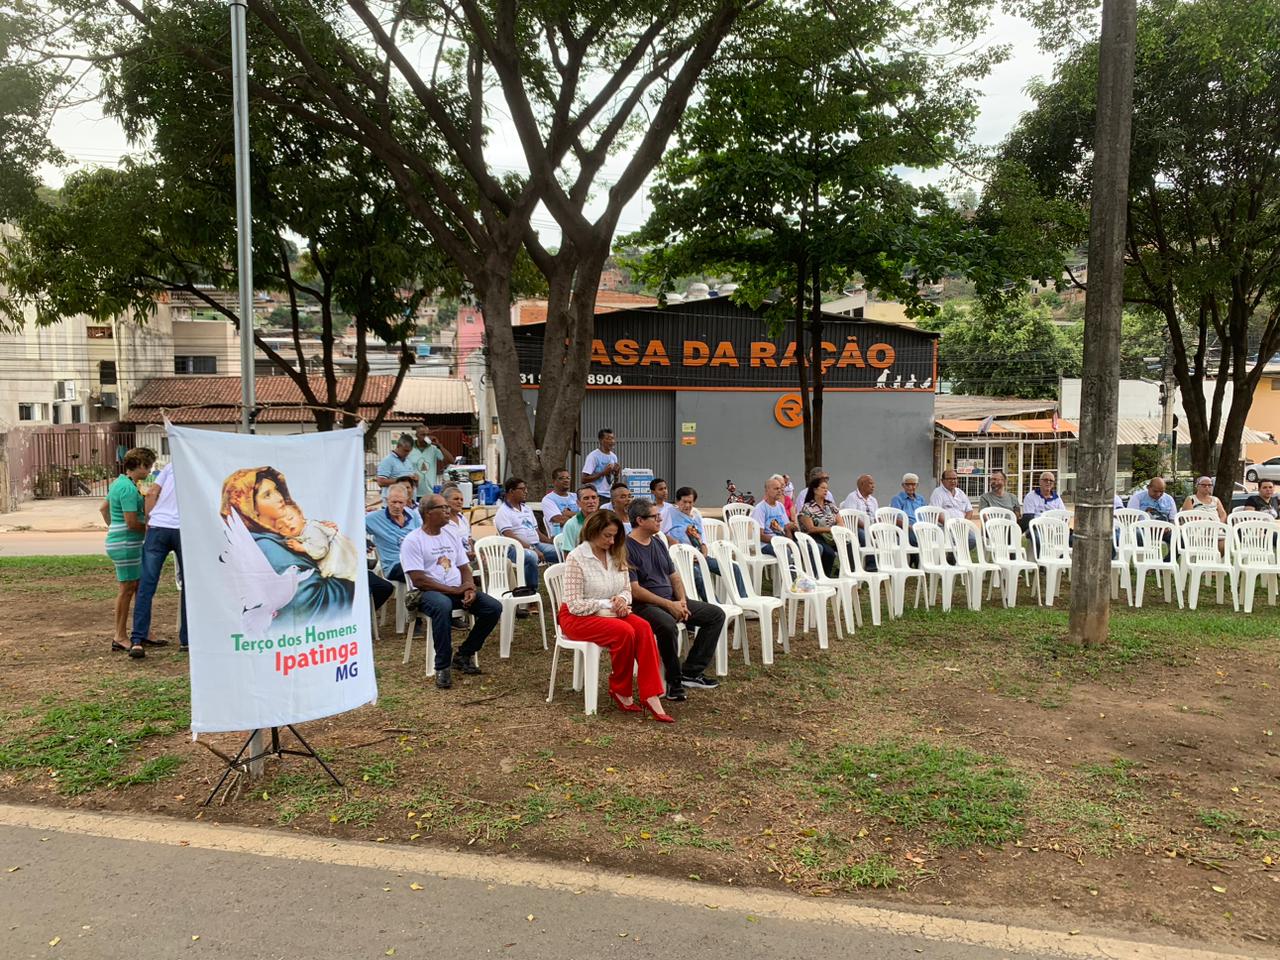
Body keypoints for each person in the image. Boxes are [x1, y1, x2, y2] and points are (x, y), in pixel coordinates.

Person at [558, 510, 672, 722]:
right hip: (577, 616)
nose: (611, 541)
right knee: (624, 631)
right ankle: (621, 689)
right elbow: (574, 604)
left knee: (644, 627)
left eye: (614, 536)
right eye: (607, 536)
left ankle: (651, 693)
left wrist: (621, 599)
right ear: (592, 532)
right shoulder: (577, 557)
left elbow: (627, 589)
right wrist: (607, 604)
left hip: (611, 611)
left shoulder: (617, 553)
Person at [220, 466, 357, 625]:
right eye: (267, 495)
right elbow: (310, 601)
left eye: (276, 490)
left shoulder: (280, 535)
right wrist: (350, 584)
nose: (279, 498)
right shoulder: (267, 547)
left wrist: (321, 531)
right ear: (250, 508)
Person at [626, 498, 725, 701]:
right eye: (655, 516)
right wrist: (669, 605)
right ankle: (674, 681)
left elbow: (674, 576)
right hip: (645, 605)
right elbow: (635, 591)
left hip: (672, 599)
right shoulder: (626, 548)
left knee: (715, 615)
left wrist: (681, 601)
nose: (660, 519)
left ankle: (692, 672)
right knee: (667, 625)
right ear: (640, 520)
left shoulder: (657, 542)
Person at [400, 494, 502, 690]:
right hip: (427, 593)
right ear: (428, 513)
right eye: (443, 507)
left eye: (448, 507)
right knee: (442, 605)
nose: (448, 511)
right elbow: (419, 580)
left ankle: (464, 654)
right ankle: (442, 666)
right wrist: (454, 590)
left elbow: (464, 567)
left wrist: (469, 587)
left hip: (456, 589)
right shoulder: (413, 540)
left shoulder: (450, 535)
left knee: (493, 607)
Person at [129, 457, 189, 654]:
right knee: (189, 586)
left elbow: (152, 493)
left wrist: (150, 519)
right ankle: (186, 639)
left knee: (146, 585)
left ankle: (137, 639)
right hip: (183, 529)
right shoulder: (198, 467)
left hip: (159, 526)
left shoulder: (170, 466)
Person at [103, 447, 156, 658]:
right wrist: (152, 530)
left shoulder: (121, 483)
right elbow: (132, 522)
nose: (149, 470)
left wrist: (113, 527)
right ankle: (120, 636)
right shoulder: (127, 488)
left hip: (123, 541)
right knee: (127, 588)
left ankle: (141, 631)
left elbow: (103, 508)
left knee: (138, 586)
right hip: (126, 543)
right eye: (148, 466)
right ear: (139, 465)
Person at [667, 486, 747, 597]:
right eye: (684, 502)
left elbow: (703, 539)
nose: (687, 505)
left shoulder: (696, 517)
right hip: (682, 558)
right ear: (677, 501)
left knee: (733, 568)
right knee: (699, 576)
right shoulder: (670, 514)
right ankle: (714, 605)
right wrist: (673, 542)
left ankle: (743, 600)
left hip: (699, 556)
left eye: (690, 502)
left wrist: (703, 554)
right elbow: (660, 533)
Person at [496, 477, 558, 590]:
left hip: (536, 545)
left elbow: (537, 532)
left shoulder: (527, 509)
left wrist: (550, 541)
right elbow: (510, 537)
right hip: (515, 549)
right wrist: (532, 549)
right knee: (531, 557)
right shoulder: (503, 511)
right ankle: (530, 591)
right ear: (511, 491)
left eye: (526, 489)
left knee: (561, 552)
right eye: (522, 489)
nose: (526, 491)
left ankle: (562, 587)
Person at [277, 504, 361, 583]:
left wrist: (302, 547)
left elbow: (321, 550)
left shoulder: (311, 529)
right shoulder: (298, 533)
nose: (287, 524)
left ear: (301, 515)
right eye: (281, 527)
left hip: (340, 557)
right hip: (334, 560)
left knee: (348, 573)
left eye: (290, 518)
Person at [365, 485, 421, 580]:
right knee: (419, 571)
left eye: (400, 502)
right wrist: (364, 541)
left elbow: (421, 538)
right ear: (387, 500)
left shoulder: (413, 515)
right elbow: (353, 528)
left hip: (415, 560)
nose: (397, 506)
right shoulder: (373, 518)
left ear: (406, 501)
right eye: (394, 502)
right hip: (394, 565)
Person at [797, 475, 844, 574]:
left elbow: (840, 521)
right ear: (815, 490)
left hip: (832, 536)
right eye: (823, 488)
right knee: (829, 553)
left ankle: (844, 572)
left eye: (827, 488)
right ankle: (825, 576)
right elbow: (811, 528)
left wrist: (835, 529)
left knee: (849, 546)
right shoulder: (808, 507)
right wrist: (830, 529)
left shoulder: (830, 505)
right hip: (816, 536)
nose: (826, 490)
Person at [407, 424, 454, 502]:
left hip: (429, 492)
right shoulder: (410, 449)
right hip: (414, 492)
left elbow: (451, 461)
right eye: (423, 435)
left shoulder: (433, 449)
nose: (426, 437)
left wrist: (440, 446)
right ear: (416, 435)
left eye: (427, 434)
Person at [752, 476, 796, 556]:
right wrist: (779, 541)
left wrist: (790, 543)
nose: (779, 491)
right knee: (785, 551)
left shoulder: (780, 506)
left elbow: (786, 529)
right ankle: (789, 564)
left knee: (805, 547)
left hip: (781, 541)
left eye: (780, 488)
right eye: (776, 489)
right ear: (767, 491)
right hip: (766, 545)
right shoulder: (760, 508)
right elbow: (760, 535)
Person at [376, 434, 418, 503]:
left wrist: (415, 479)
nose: (407, 453)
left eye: (409, 451)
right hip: (393, 504)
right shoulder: (387, 460)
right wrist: (402, 480)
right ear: (398, 446)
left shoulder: (408, 461)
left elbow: (412, 483)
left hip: (408, 503)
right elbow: (380, 482)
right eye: (405, 450)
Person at [581, 428, 620, 502]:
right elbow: (584, 479)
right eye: (608, 439)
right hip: (597, 496)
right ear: (601, 441)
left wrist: (616, 474)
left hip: (610, 496)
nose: (612, 441)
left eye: (613, 438)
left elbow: (614, 481)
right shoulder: (593, 456)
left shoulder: (613, 457)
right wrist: (603, 473)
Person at [540, 468, 579, 536]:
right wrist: (581, 517)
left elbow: (590, 515)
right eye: (561, 478)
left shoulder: (576, 496)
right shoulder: (548, 499)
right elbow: (559, 520)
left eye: (568, 478)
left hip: (580, 534)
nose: (566, 480)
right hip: (562, 537)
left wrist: (569, 514)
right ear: (554, 481)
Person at [441, 483, 475, 560]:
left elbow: (469, 539)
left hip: (469, 558)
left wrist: (474, 553)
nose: (460, 502)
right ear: (445, 501)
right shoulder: (442, 522)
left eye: (461, 499)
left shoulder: (463, 519)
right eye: (456, 499)